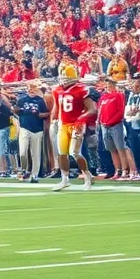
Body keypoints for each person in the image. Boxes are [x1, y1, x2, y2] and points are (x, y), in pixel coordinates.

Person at [51, 63, 96, 191]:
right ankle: (65, 179)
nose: (62, 80)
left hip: (77, 124)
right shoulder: (57, 90)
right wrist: (53, 118)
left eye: (65, 77)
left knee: (74, 152)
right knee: (62, 153)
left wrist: (81, 119)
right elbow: (56, 107)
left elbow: (92, 109)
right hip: (63, 124)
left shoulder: (81, 90)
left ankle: (87, 176)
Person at [97, 77, 137, 180]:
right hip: (104, 125)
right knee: (111, 149)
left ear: (114, 84)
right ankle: (117, 170)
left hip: (115, 125)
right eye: (106, 84)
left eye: (109, 84)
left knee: (120, 148)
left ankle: (125, 170)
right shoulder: (103, 97)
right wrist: (101, 121)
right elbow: (100, 110)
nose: (108, 86)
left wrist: (112, 121)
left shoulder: (118, 95)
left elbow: (120, 111)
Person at [13, 82, 49, 182]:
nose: (32, 90)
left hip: (37, 129)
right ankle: (24, 169)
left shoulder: (40, 100)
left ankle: (35, 175)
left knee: (36, 154)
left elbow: (46, 113)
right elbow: (15, 110)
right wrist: (21, 109)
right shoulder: (22, 100)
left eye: (34, 88)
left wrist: (38, 114)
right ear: (27, 89)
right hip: (24, 127)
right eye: (30, 88)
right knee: (23, 152)